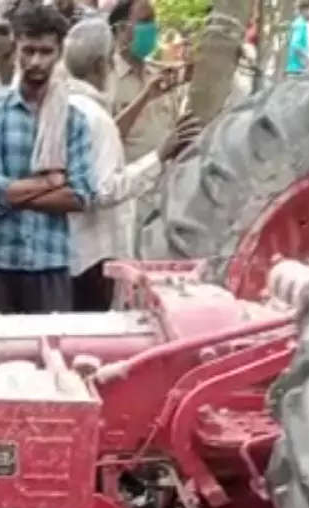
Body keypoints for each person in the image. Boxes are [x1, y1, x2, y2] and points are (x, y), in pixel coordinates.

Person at [63, 19, 198, 312]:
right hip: (94, 255)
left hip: (74, 252)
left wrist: (147, 96)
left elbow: (108, 134)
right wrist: (159, 157)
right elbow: (105, 189)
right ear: (101, 65)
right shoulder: (93, 117)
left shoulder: (71, 106)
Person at [0, 4, 96, 314]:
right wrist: (51, 183)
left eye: (45, 52)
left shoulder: (74, 121)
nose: (36, 61)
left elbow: (81, 195)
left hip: (50, 263)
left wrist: (13, 195)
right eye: (29, 51)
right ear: (15, 49)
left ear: (58, 54)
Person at [108, 0, 186, 163]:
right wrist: (144, 98)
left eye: (153, 21)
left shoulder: (161, 75)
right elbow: (104, 140)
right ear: (121, 28)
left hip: (168, 178)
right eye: (145, 21)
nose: (152, 28)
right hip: (131, 181)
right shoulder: (106, 78)